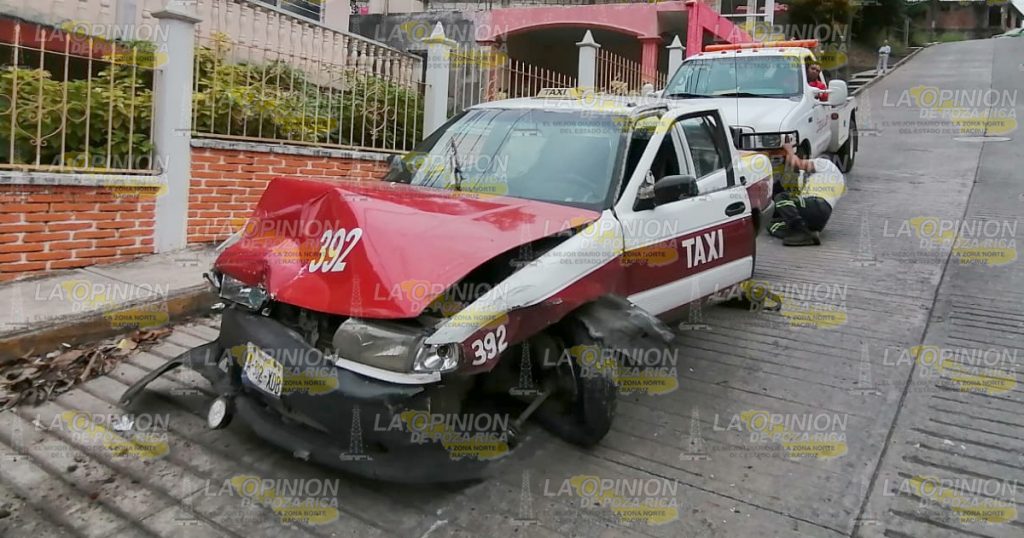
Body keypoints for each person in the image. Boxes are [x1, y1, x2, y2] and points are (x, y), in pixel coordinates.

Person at [768, 143, 846, 246]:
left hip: (817, 204)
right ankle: (806, 232)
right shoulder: (826, 179)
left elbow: (797, 163)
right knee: (771, 225)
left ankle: (800, 231)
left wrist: (789, 149)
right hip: (818, 221)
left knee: (782, 197)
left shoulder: (824, 163)